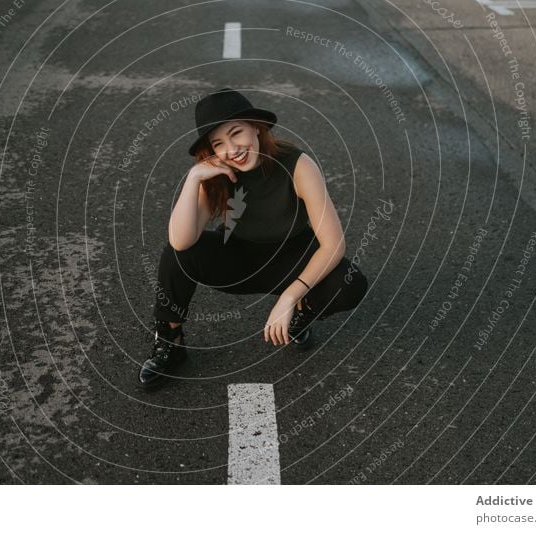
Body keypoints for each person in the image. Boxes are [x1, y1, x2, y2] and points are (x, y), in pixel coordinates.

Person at [138, 88, 369, 390]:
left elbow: (334, 243)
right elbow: (181, 241)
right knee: (176, 255)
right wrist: (194, 178)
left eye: (237, 134)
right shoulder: (218, 174)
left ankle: (302, 312)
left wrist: (290, 298)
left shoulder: (297, 165)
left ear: (256, 128)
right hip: (239, 259)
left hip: (291, 260)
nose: (232, 149)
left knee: (350, 282)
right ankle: (171, 340)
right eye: (218, 143)